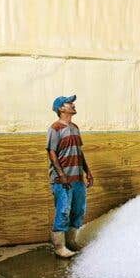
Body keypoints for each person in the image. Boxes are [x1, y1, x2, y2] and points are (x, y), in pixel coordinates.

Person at [46, 95, 94, 258]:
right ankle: (60, 246)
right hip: (62, 180)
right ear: (61, 108)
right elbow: (51, 153)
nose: (73, 105)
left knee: (78, 210)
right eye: (69, 103)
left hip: (77, 178)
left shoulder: (75, 127)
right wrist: (62, 175)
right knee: (63, 211)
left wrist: (87, 171)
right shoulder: (55, 128)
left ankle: (71, 241)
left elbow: (78, 152)